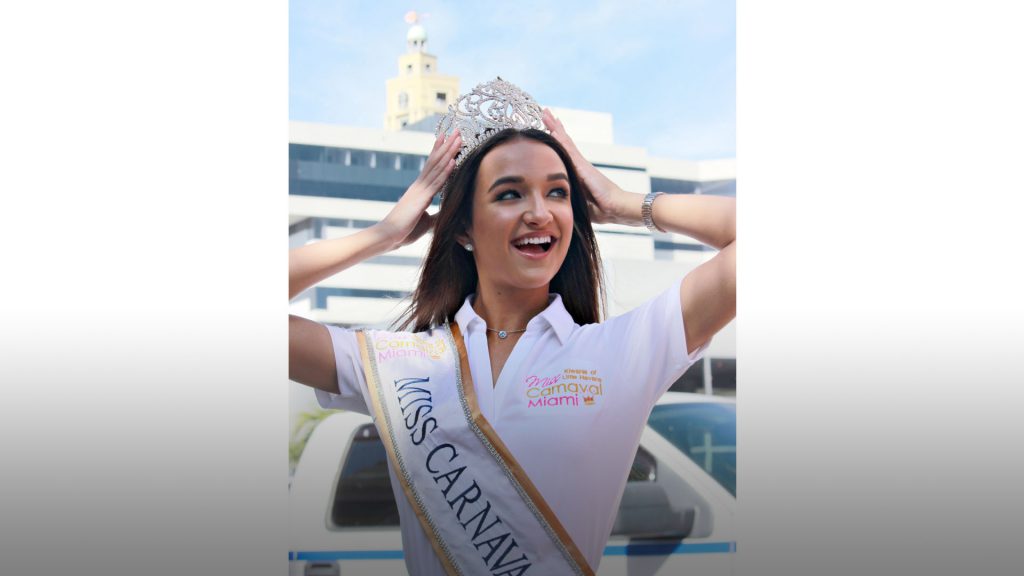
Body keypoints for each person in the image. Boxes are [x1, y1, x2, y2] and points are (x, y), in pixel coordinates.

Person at [289, 78, 735, 576]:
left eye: (558, 193)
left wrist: (625, 203)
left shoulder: (621, 350)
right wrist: (384, 234)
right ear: (462, 228)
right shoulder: (397, 362)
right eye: (510, 194)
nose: (539, 213)